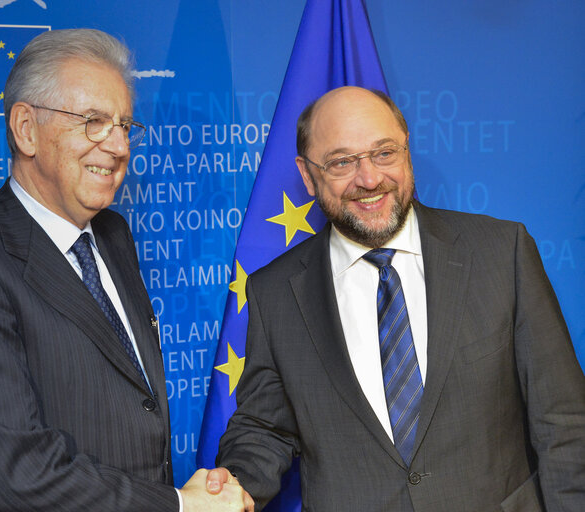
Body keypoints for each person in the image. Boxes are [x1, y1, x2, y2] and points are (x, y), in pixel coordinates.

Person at [205, 86, 585, 511]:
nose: (369, 179)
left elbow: (565, 423)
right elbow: (265, 428)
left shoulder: (501, 253)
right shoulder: (273, 293)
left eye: (384, 153)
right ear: (308, 175)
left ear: (407, 151)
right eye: (342, 162)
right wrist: (233, 485)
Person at [0, 29, 247, 511]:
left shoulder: (113, 234)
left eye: (124, 125)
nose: (118, 147)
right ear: (26, 130)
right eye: (93, 121)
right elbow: (17, 476)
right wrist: (179, 506)